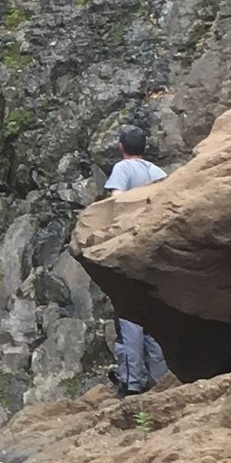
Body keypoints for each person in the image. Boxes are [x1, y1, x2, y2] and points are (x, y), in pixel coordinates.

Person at [101, 120, 169, 396]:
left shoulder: (123, 168)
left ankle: (131, 382)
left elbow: (117, 202)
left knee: (129, 319)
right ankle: (161, 379)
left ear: (121, 147)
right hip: (153, 250)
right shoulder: (158, 171)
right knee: (154, 319)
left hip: (129, 248)